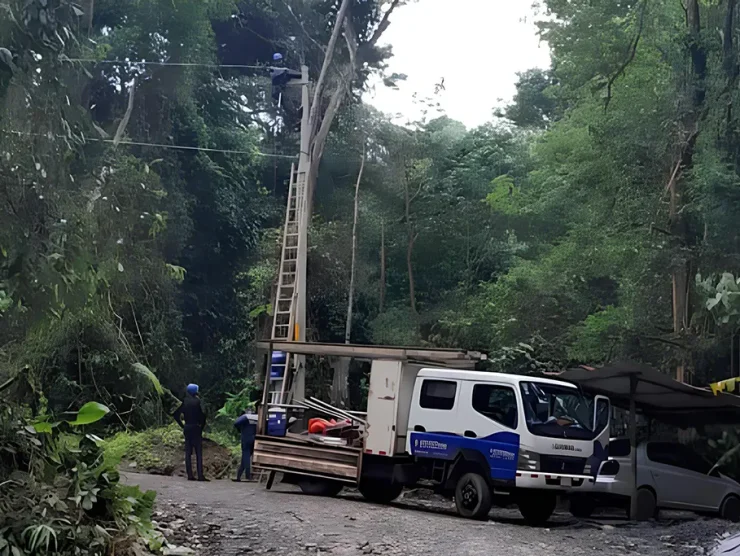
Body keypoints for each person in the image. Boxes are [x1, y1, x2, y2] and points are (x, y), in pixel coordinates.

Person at [173, 383, 208, 481]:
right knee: (198, 452)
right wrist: (202, 426)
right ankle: (200, 475)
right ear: (195, 391)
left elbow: (176, 415)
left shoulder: (185, 402)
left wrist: (182, 425)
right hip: (196, 427)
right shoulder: (198, 402)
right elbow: (203, 415)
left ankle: (190, 475)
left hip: (187, 427)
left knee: (188, 452)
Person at [233, 405, 257, 482]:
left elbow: (236, 423)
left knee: (245, 455)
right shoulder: (257, 417)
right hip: (254, 438)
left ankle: (248, 475)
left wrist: (240, 429)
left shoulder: (245, 417)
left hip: (246, 438)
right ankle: (239, 476)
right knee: (245, 457)